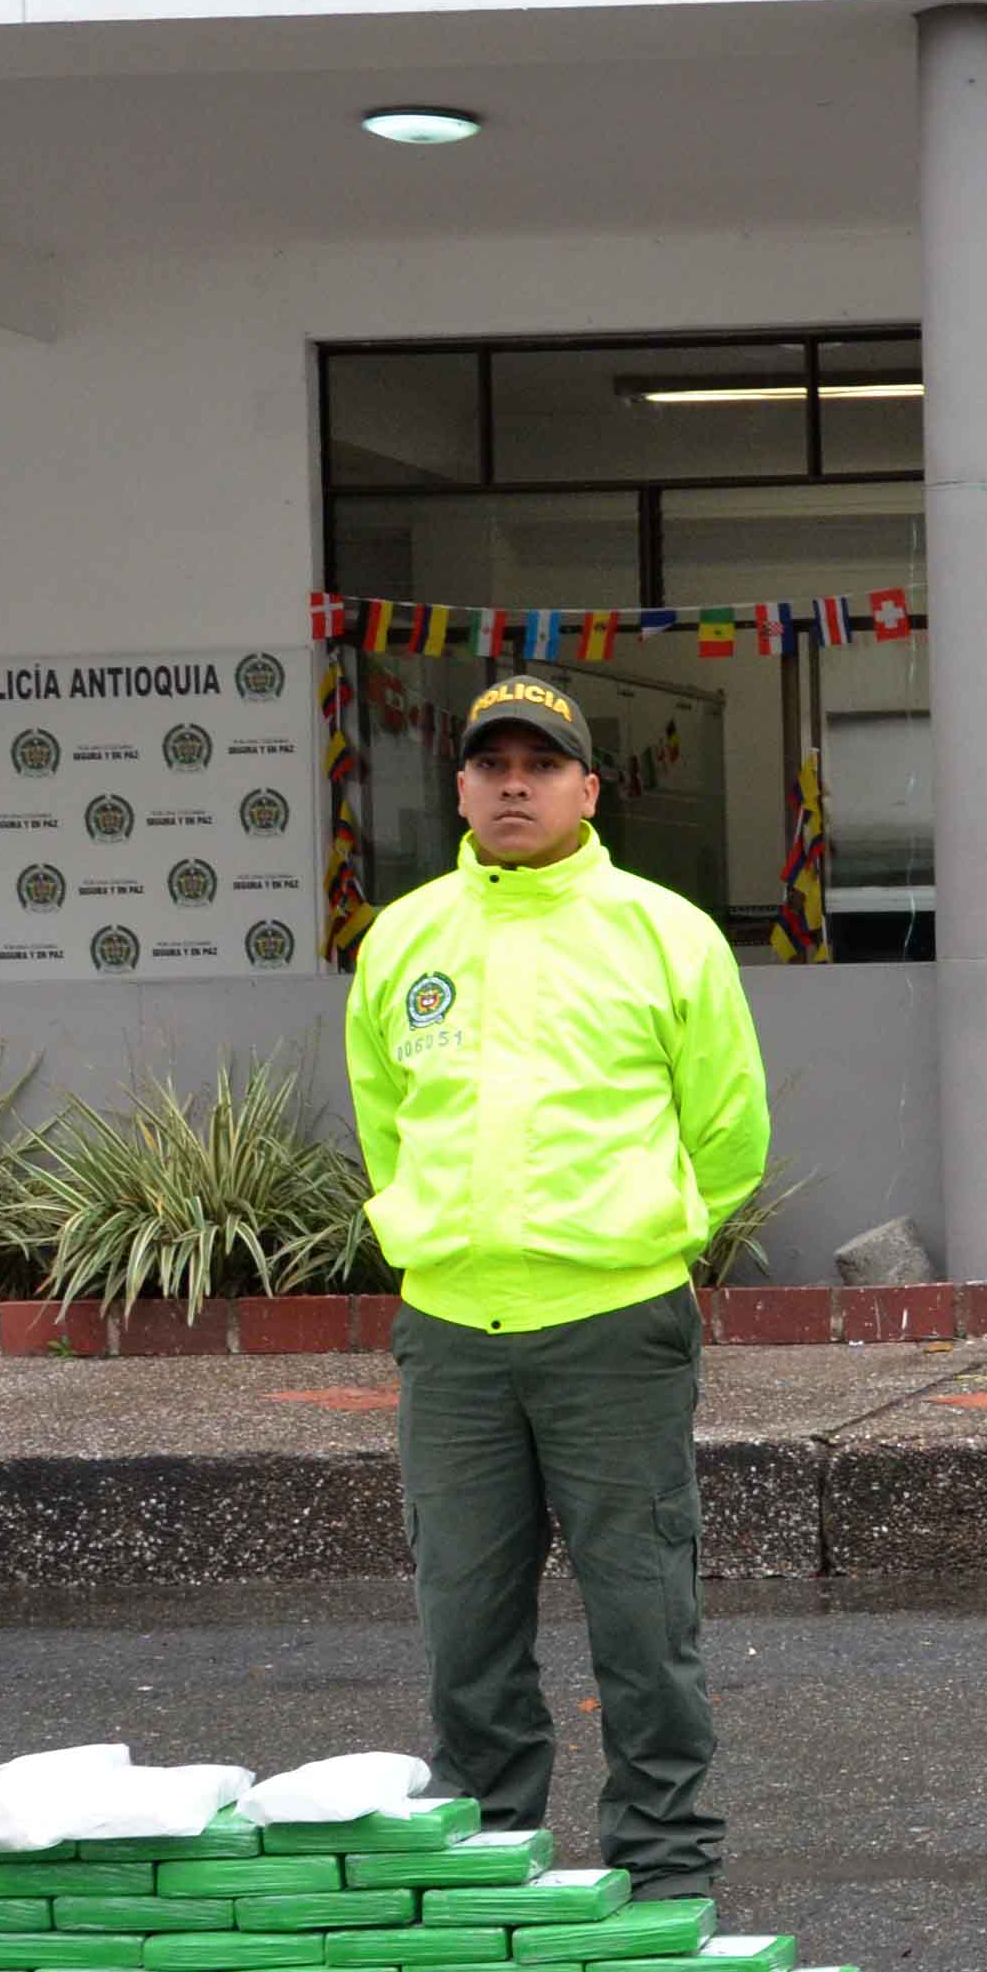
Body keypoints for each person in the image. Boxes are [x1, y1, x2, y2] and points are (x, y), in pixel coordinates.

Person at [344, 670, 771, 1900]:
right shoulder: (405, 938)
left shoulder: (662, 933)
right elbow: (388, 1125)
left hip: (611, 1330)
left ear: (590, 787)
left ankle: (664, 1865)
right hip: (452, 1338)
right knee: (466, 1629)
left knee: (644, 1624)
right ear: (463, 786)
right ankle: (484, 1867)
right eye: (492, 765)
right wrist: (437, 1237)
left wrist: (647, 1235)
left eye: (541, 765)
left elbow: (728, 1134)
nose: (514, 783)